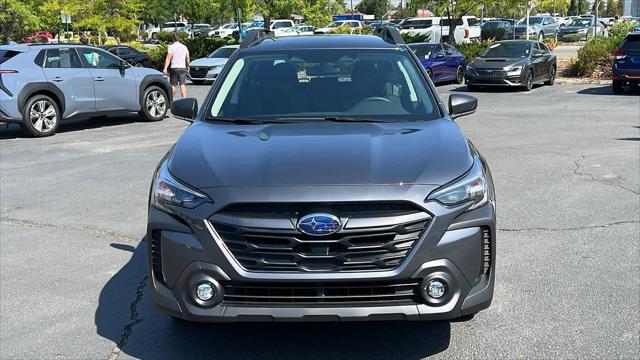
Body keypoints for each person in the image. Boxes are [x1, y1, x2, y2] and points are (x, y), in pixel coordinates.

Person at [163, 33, 190, 98]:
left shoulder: (171, 47)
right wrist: (188, 66)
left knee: (173, 85)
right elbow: (187, 58)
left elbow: (168, 58)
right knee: (183, 84)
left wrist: (165, 68)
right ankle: (184, 99)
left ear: (173, 39)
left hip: (174, 67)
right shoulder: (184, 47)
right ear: (179, 39)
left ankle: (171, 100)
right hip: (182, 67)